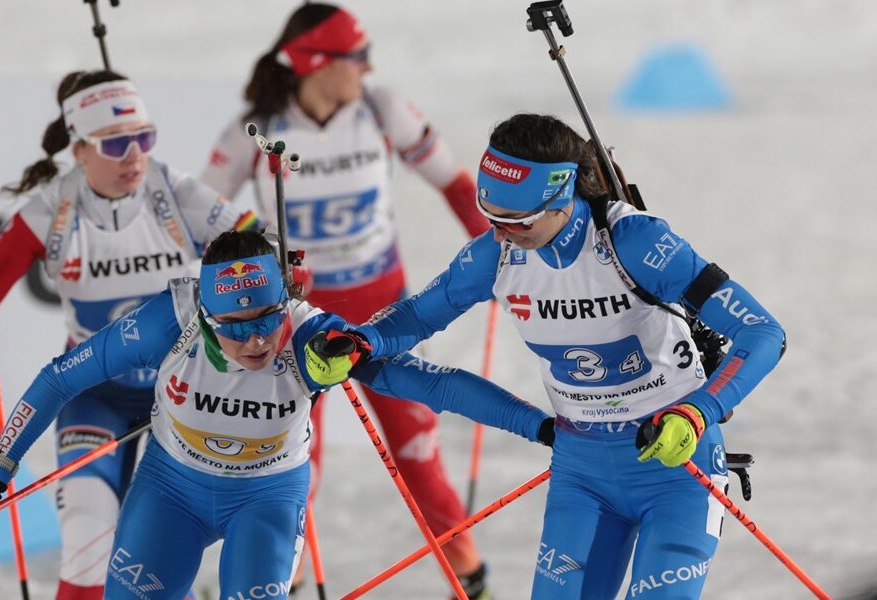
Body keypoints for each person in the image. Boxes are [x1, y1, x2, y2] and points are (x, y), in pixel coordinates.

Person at [311, 114, 787, 598]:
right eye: (491, 216)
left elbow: (763, 332)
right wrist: (360, 342)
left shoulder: (634, 243)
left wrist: (696, 413)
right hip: (582, 475)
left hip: (676, 468)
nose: (500, 233)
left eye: (516, 221)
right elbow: (414, 319)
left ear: (561, 197)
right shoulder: (494, 256)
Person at [0, 230, 551, 600]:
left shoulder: (312, 339)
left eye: (266, 316)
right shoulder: (172, 319)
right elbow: (61, 378)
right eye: (234, 327)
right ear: (207, 314)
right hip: (172, 491)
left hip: (265, 498)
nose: (257, 340)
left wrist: (541, 427)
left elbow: (433, 385)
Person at [201, 4, 493, 596]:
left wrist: (506, 260)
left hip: (387, 316)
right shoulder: (255, 131)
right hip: (297, 322)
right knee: (291, 466)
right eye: (355, 57)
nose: (368, 66)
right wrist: (258, 251)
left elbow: (459, 187)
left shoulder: (383, 109)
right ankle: (283, 581)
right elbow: (201, 216)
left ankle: (471, 579)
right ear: (315, 63)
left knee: (418, 455)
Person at [0, 70, 258, 600]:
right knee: (87, 544)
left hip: (181, 398)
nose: (134, 155)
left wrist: (279, 262)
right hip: (95, 396)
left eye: (144, 137)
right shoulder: (47, 211)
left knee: (154, 562)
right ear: (80, 147)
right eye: (116, 143)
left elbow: (266, 266)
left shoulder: (178, 192)